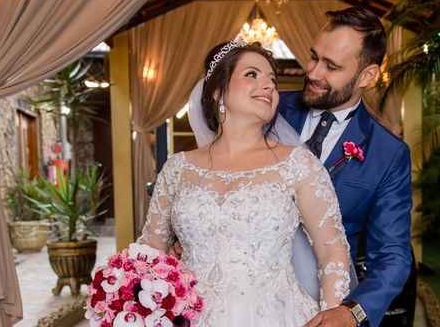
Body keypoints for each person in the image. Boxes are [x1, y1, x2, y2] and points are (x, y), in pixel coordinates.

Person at [139, 40, 351, 327]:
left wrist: (332, 313)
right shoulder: (178, 168)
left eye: (272, 81)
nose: (268, 86)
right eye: (252, 74)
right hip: (189, 316)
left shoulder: (297, 164)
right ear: (218, 92)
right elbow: (150, 251)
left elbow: (332, 250)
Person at [278, 7, 413, 327]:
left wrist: (353, 310)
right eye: (314, 57)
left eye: (331, 66)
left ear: (367, 75)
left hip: (321, 305)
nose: (312, 73)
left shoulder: (388, 154)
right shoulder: (270, 109)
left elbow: (393, 256)